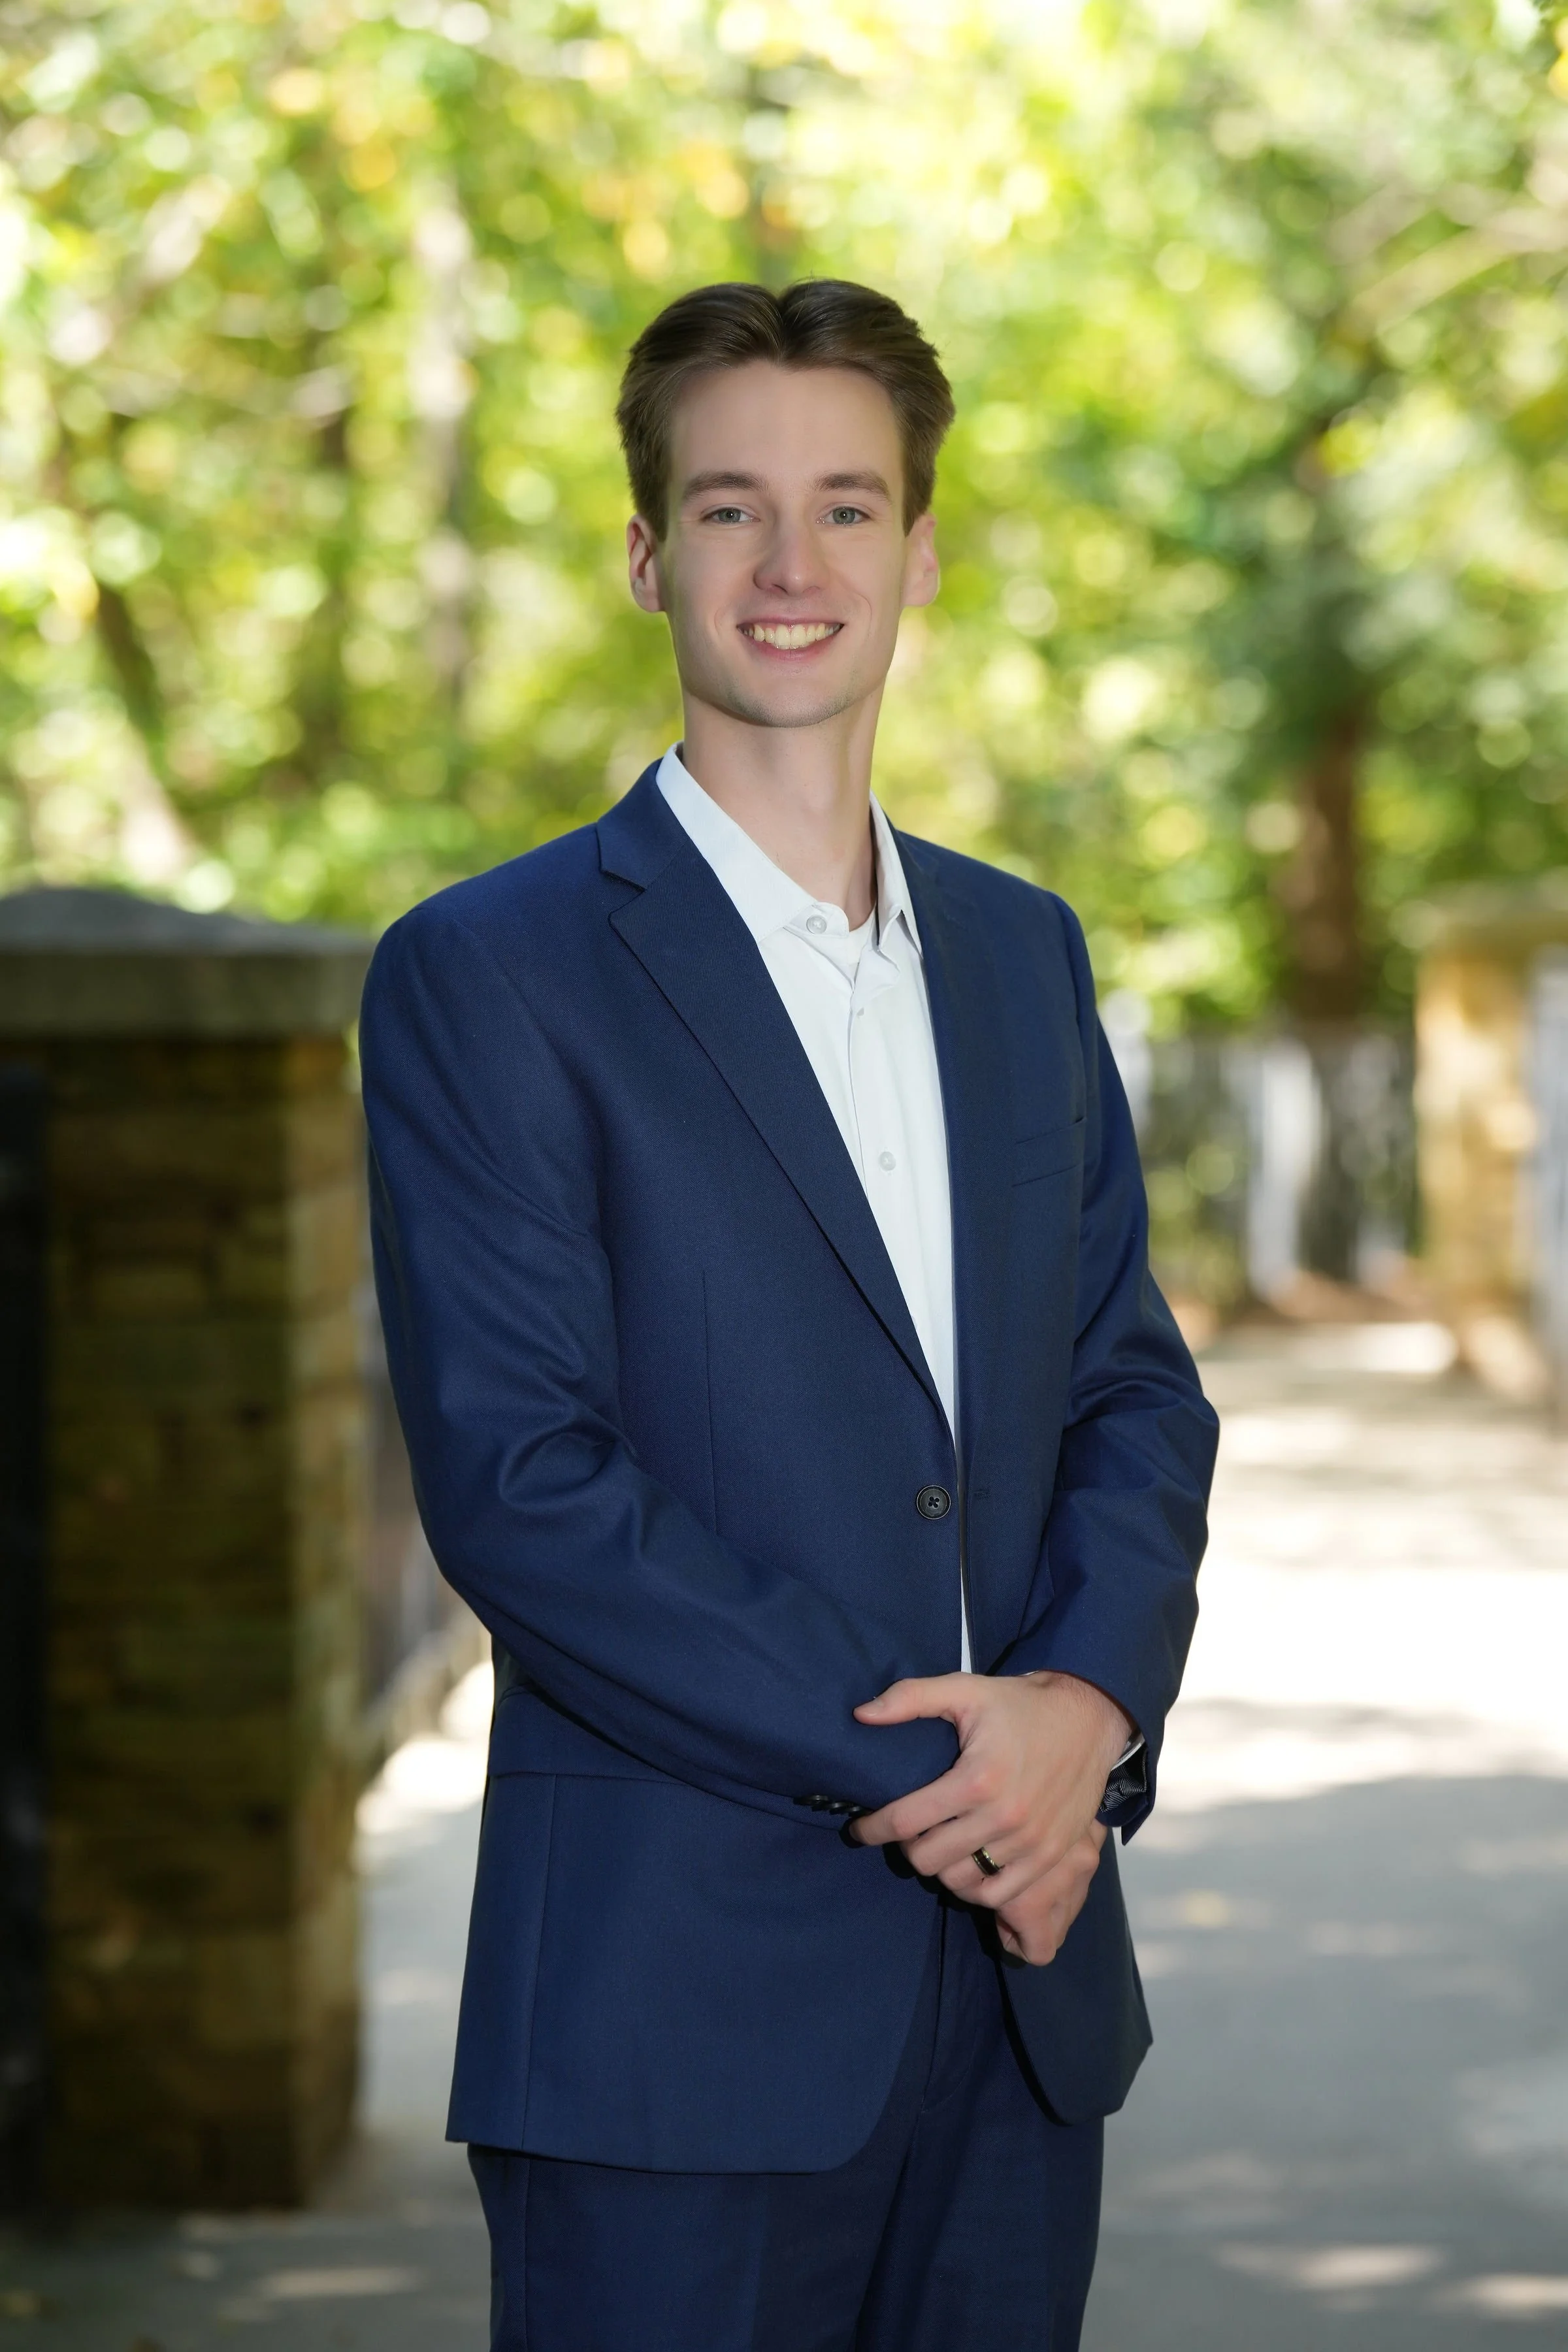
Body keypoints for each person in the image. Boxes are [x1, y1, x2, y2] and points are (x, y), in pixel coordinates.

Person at [359, 278, 1218, 2351]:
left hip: (1026, 2001)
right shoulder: (491, 975)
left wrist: (1085, 1720)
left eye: (847, 507)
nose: (793, 564)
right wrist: (966, 1773)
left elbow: (1133, 1392)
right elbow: (525, 1489)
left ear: (920, 551)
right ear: (648, 554)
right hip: (673, 2013)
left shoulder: (1023, 957)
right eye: (731, 510)